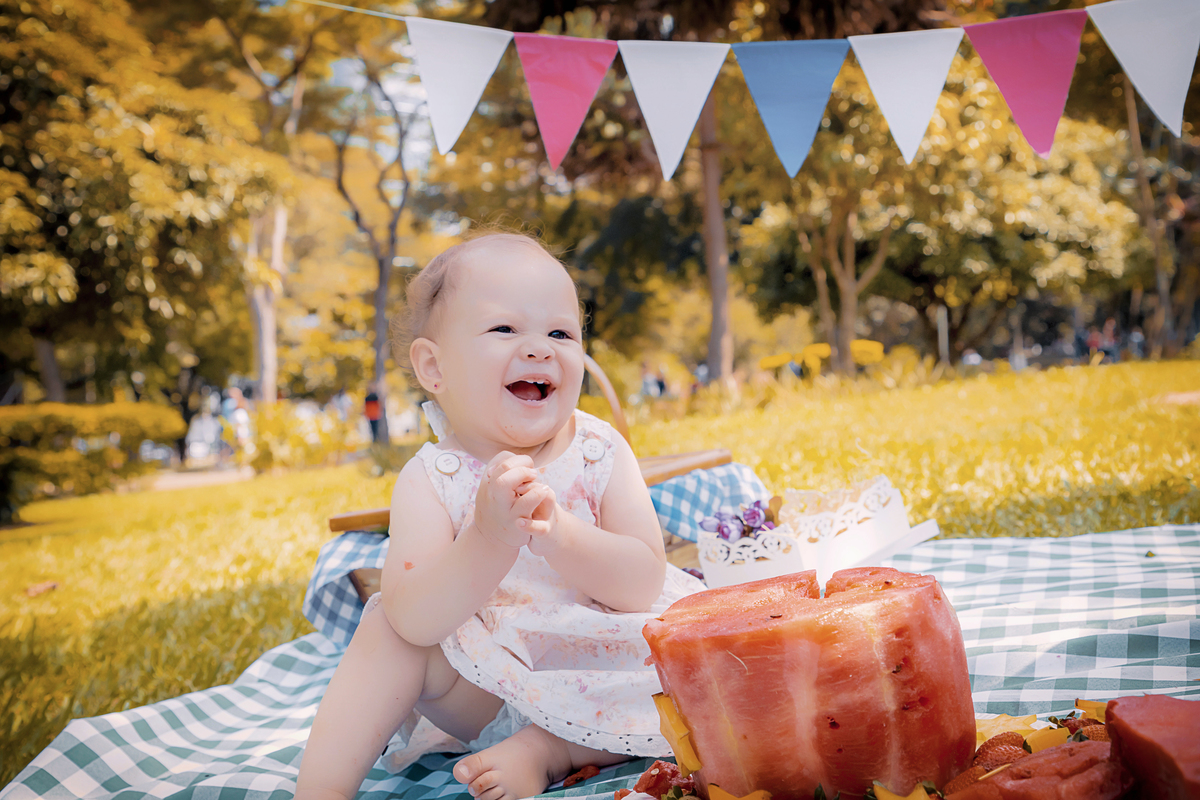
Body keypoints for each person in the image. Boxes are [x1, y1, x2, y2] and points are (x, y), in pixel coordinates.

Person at [295, 233, 704, 800]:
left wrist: (559, 533)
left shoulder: (599, 450)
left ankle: (548, 749)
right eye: (505, 329)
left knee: (694, 675)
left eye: (560, 333)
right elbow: (416, 617)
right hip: (486, 682)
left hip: (607, 665)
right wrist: (486, 537)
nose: (540, 348)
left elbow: (642, 583)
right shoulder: (432, 476)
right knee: (387, 626)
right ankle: (319, 792)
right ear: (435, 367)